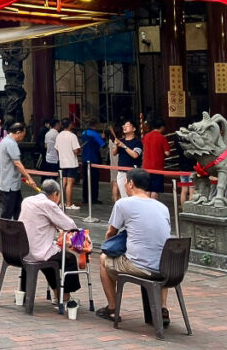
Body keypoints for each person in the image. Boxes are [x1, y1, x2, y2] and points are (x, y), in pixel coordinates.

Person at [96, 167, 171, 323]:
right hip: (168, 268)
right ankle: (162, 307)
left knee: (104, 258)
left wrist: (108, 242)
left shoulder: (123, 204)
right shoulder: (162, 207)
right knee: (156, 257)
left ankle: (112, 308)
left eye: (125, 183)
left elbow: (111, 232)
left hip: (140, 266)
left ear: (130, 184)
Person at [18, 179, 82, 301]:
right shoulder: (49, 204)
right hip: (37, 252)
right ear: (55, 194)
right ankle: (65, 297)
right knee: (69, 259)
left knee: (51, 257)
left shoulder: (27, 201)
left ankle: (56, 293)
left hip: (22, 251)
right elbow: (70, 225)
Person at [0, 122, 39, 220]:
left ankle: (17, 231)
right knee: (8, 212)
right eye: (23, 135)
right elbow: (17, 163)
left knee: (18, 210)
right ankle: (3, 233)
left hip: (8, 183)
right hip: (9, 185)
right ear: (18, 132)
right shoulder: (11, 144)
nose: (22, 138)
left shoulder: (5, 140)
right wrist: (29, 178)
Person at [111, 120, 142, 200]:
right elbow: (114, 153)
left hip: (133, 172)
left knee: (133, 195)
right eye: (124, 125)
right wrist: (117, 145)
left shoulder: (137, 142)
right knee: (124, 195)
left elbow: (135, 155)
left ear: (134, 129)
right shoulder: (121, 140)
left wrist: (124, 146)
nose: (124, 127)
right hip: (121, 171)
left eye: (127, 125)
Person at [141, 117, 171, 199]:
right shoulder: (162, 138)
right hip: (157, 167)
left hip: (146, 166)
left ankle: (146, 207)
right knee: (155, 189)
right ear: (162, 127)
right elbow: (167, 153)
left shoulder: (146, 136)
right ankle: (153, 207)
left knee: (147, 189)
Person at [54, 118, 81, 211]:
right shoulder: (72, 136)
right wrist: (79, 150)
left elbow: (56, 149)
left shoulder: (59, 136)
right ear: (70, 125)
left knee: (63, 183)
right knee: (70, 183)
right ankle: (69, 204)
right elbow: (76, 150)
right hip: (71, 163)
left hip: (62, 162)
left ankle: (61, 203)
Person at [80, 120, 106, 205]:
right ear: (95, 125)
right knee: (94, 180)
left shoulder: (84, 133)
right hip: (93, 158)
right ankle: (93, 198)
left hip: (84, 158)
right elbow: (103, 145)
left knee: (86, 179)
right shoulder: (96, 134)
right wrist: (103, 138)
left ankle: (85, 198)